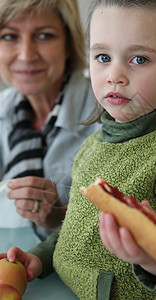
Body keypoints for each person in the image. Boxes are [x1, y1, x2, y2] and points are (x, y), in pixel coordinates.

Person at [1, 0, 156, 299]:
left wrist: (155, 260)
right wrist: (40, 258)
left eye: (139, 59)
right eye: (103, 56)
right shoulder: (93, 144)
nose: (114, 75)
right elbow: (76, 226)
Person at [0, 0, 101, 240]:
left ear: (68, 43)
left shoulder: (108, 114)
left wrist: (61, 217)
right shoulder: (3, 108)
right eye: (9, 36)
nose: (26, 55)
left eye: (44, 35)